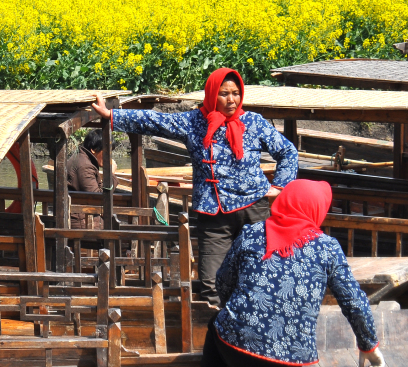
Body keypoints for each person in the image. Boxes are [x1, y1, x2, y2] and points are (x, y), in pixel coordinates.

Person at [92, 67, 298, 306]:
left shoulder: (253, 122)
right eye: (224, 94)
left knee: (260, 272)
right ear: (211, 95)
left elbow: (287, 152)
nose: (231, 99)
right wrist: (112, 116)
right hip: (213, 213)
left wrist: (280, 186)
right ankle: (216, 334)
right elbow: (157, 121)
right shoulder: (193, 122)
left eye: (235, 93)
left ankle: (256, 328)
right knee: (211, 282)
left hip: (253, 210)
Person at [195, 179, 383, 367]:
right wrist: (368, 346)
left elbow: (223, 281)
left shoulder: (252, 234)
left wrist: (237, 309)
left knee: (222, 324)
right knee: (259, 334)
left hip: (234, 349)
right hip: (291, 359)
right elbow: (354, 301)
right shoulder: (328, 247)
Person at [66, 130, 117, 230]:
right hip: (82, 222)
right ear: (94, 149)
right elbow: (98, 199)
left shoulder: (81, 158)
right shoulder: (85, 166)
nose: (110, 156)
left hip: (82, 218)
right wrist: (112, 174)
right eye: (108, 151)